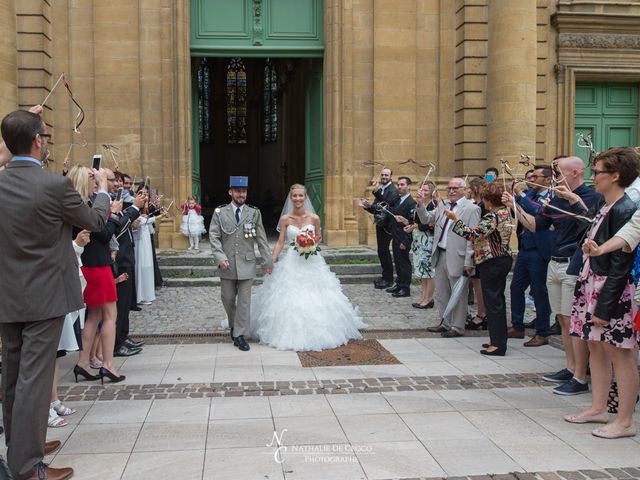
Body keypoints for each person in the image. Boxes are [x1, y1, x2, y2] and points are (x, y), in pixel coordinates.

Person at [0, 108, 110, 480]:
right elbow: (94, 221)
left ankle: (21, 446)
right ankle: (29, 467)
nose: (46, 142)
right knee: (32, 377)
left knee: (14, 375)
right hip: (44, 294)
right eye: (44, 136)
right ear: (36, 141)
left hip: (8, 294)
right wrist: (103, 192)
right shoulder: (53, 185)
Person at [559, 147, 640, 438]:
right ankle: (599, 407)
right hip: (592, 283)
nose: (593, 177)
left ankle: (625, 420)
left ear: (616, 175)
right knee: (595, 347)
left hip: (612, 289)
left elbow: (622, 264)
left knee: (620, 352)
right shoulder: (607, 206)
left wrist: (605, 306)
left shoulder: (626, 208)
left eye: (598, 172)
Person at [503, 156, 600, 396]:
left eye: (559, 173)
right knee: (563, 319)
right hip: (554, 262)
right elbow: (536, 225)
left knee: (573, 320)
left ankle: (580, 375)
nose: (555, 177)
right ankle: (570, 367)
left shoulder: (592, 198)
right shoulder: (556, 198)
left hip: (573, 264)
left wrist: (575, 201)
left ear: (576, 172)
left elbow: (591, 225)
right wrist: (514, 207)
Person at [251, 184, 367, 351]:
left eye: (300, 196)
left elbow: (318, 236)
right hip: (292, 260)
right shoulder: (285, 219)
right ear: (290, 199)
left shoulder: (314, 218)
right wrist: (271, 261)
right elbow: (281, 242)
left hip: (311, 260)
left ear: (305, 198)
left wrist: (310, 244)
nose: (297, 199)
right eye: (294, 196)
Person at [446, 182, 513, 354]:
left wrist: (456, 220)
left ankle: (498, 344)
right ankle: (496, 339)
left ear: (488, 200)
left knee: (493, 303)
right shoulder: (505, 212)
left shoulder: (493, 216)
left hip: (493, 260)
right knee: (496, 301)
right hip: (501, 259)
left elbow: (473, 235)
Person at [209, 176, 273, 351]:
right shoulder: (220, 213)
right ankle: (233, 324)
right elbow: (214, 237)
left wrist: (267, 261)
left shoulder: (254, 213)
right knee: (228, 298)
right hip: (227, 263)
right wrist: (220, 257)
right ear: (230, 192)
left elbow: (261, 238)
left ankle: (239, 335)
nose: (241, 194)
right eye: (237, 191)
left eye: (243, 191)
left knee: (244, 301)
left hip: (247, 263)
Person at [417, 178, 481, 337]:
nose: (451, 191)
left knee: (458, 293)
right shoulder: (442, 205)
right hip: (440, 253)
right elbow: (426, 219)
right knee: (442, 293)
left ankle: (458, 327)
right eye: (449, 188)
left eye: (455, 188)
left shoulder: (471, 208)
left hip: (458, 256)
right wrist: (420, 204)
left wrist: (469, 261)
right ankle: (445, 322)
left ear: (464, 189)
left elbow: (472, 238)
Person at [508, 165, 554, 346]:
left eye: (536, 177)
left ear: (548, 179)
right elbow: (517, 214)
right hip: (525, 248)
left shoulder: (551, 196)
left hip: (540, 250)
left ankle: (542, 331)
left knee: (539, 292)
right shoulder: (531, 195)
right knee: (515, 288)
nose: (532, 179)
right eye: (531, 176)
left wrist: (520, 195)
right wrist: (510, 201)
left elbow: (538, 212)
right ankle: (517, 326)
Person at [360, 167, 400, 289]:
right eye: (382, 175)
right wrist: (367, 206)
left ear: (391, 177)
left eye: (386, 175)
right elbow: (377, 208)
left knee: (384, 251)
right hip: (380, 224)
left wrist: (377, 192)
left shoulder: (393, 190)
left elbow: (387, 205)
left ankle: (388, 279)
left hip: (388, 226)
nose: (383, 177)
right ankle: (385, 277)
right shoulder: (382, 189)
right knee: (381, 251)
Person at [405, 181, 436, 309]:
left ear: (432, 192)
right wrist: (409, 223)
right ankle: (423, 295)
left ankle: (429, 298)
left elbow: (432, 224)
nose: (423, 192)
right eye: (421, 189)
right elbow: (415, 220)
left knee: (429, 270)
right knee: (421, 269)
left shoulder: (434, 205)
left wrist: (416, 226)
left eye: (426, 190)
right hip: (418, 239)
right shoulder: (418, 204)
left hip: (428, 240)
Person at [386, 176, 417, 298]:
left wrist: (406, 241)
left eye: (402, 184)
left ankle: (405, 288)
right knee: (398, 262)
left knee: (404, 263)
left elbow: (411, 223)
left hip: (404, 237)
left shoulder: (411, 203)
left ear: (409, 186)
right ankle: (399, 283)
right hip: (396, 236)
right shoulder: (398, 200)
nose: (399, 186)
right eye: (398, 184)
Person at [465, 177, 488, 329]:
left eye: (468, 188)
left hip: (480, 249)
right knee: (475, 280)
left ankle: (482, 314)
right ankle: (481, 313)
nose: (467, 190)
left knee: (479, 282)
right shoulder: (477, 204)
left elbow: (477, 231)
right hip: (476, 247)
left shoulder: (483, 207)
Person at [133, 185, 156, 305]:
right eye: (141, 193)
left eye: (146, 193)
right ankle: (140, 295)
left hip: (146, 239)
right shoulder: (134, 207)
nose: (144, 195)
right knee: (140, 266)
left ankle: (147, 294)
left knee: (148, 266)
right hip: (139, 240)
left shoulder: (146, 207)